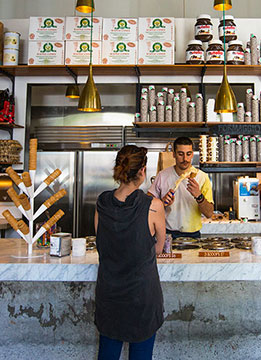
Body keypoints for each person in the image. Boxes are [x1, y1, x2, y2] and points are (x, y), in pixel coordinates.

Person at [94, 145, 165, 360]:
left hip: (110, 292)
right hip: (141, 295)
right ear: (142, 171)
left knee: (107, 353)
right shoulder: (153, 206)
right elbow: (159, 247)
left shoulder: (102, 203)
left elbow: (101, 244)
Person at [148, 137, 213, 239]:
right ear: (174, 154)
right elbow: (148, 206)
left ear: (192, 154)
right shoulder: (162, 176)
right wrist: (161, 203)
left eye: (188, 154)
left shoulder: (202, 177)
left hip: (193, 235)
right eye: (180, 154)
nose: (185, 159)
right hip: (168, 233)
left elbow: (209, 213)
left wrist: (199, 196)